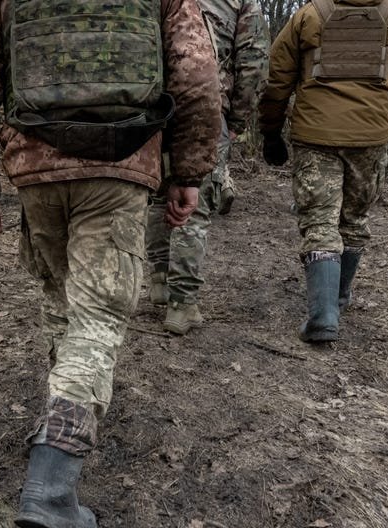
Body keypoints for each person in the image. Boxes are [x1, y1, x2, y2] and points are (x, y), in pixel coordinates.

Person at [0, 0, 221, 528]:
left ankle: (62, 412)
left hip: (37, 165)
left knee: (60, 298)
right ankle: (52, 482)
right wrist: (189, 171)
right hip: (121, 164)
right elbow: (196, 76)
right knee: (97, 315)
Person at [258, 0, 388, 342]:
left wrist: (270, 131)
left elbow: (277, 79)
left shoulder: (308, 15)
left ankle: (323, 315)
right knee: (353, 219)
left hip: (315, 135)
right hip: (371, 136)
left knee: (319, 222)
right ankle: (337, 299)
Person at [145, 0, 269, 335]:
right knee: (194, 203)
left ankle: (159, 279)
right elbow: (254, 59)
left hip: (155, 107)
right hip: (206, 107)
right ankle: (181, 303)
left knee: (158, 194)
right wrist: (237, 118)